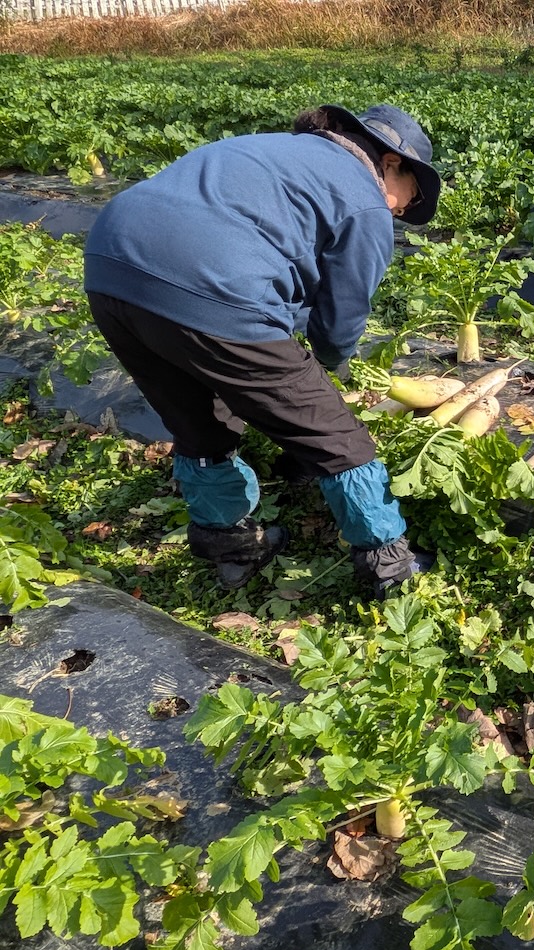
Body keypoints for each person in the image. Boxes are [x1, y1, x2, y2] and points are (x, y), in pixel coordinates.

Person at [83, 104, 442, 595]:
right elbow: (341, 319)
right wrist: (327, 372)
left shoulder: (273, 149)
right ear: (391, 162)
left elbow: (277, 271)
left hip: (111, 267)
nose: (399, 210)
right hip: (213, 282)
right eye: (409, 198)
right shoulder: (365, 199)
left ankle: (228, 545)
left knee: (197, 417)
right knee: (338, 438)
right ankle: (389, 567)